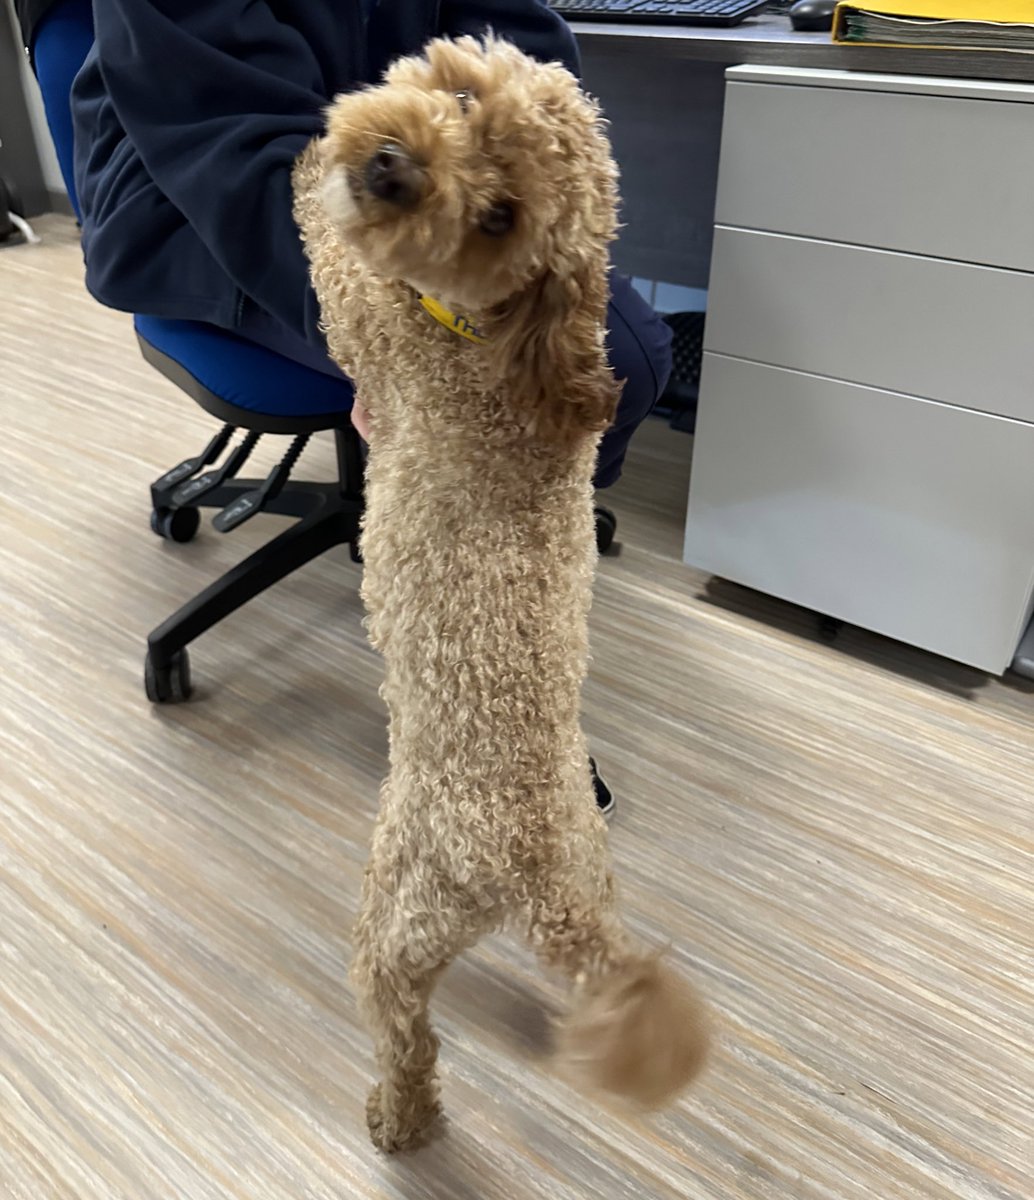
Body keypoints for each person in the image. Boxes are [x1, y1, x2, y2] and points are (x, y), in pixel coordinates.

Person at [23, 0, 670, 814]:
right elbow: (225, 139)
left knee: (615, 364)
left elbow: (522, 53)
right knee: (485, 398)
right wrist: (367, 334)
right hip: (202, 202)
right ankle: (487, 732)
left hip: (423, 179)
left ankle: (513, 611)